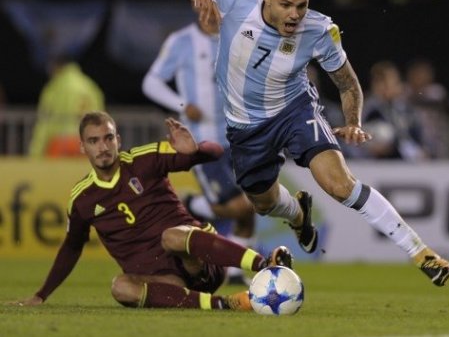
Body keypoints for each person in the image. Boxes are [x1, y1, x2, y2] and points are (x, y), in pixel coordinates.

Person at [157, 0, 449, 286]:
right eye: (286, 4)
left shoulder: (319, 30)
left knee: (340, 184)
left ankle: (421, 252)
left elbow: (348, 83)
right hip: (246, 127)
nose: (295, 14)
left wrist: (353, 121)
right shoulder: (238, 0)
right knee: (263, 203)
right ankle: (298, 214)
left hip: (295, 110)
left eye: (302, 5)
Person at [14, 112, 292, 310]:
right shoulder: (83, 199)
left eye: (108, 138)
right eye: (94, 141)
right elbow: (71, 248)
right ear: (82, 147)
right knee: (121, 287)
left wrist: (194, 150)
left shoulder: (143, 160)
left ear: (118, 140)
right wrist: (41, 294)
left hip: (200, 262)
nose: (103, 147)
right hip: (167, 282)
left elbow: (216, 153)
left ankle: (264, 264)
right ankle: (223, 304)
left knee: (170, 236)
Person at [142, 10, 257, 284]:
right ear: (197, 6)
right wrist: (182, 104)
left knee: (254, 202)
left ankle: (236, 272)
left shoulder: (238, 39)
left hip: (238, 138)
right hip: (204, 144)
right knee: (240, 206)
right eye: (205, 3)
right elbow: (151, 82)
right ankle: (193, 203)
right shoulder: (181, 41)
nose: (211, 11)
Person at [28, 55, 105, 157]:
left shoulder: (55, 87)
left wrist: (35, 152)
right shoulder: (90, 87)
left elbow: (45, 121)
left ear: (56, 67)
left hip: (60, 144)